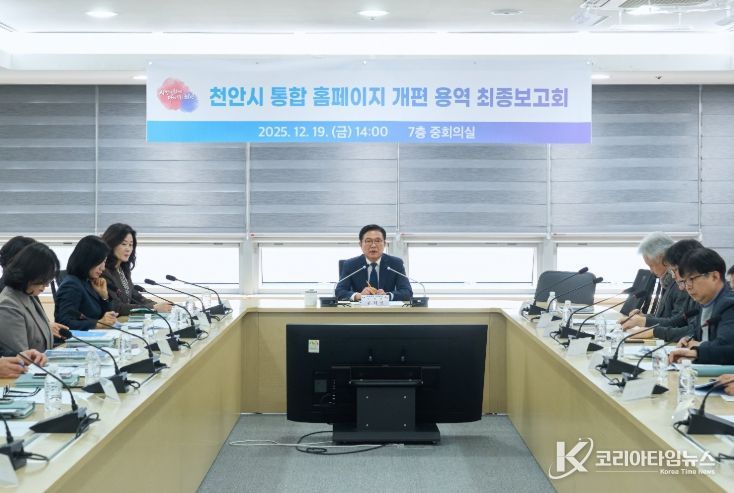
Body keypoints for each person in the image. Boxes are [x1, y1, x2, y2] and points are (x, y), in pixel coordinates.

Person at [622, 238, 702, 342]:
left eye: (674, 270)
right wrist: (645, 318)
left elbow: (691, 330)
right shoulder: (673, 283)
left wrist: (652, 329)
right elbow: (679, 320)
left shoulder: (683, 286)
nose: (673, 276)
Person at [668, 248, 734, 365]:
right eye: (685, 281)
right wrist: (688, 339)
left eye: (691, 279)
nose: (688, 286)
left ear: (714, 277)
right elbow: (697, 334)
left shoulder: (729, 304)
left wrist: (698, 349)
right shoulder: (704, 302)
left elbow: (726, 346)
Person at [0, 243, 59, 355]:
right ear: (30, 274)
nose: (46, 285)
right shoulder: (8, 306)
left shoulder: (28, 295)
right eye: (44, 279)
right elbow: (22, 357)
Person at [101, 223, 171, 316]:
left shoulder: (123, 270)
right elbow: (117, 307)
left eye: (131, 245)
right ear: (111, 244)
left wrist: (160, 305)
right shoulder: (103, 271)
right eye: (124, 244)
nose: (128, 249)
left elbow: (136, 297)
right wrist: (153, 308)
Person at [54, 235, 118, 331]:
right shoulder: (71, 285)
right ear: (88, 260)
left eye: (104, 262)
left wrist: (104, 296)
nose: (103, 268)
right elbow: (64, 323)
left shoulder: (88, 281)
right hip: (78, 339)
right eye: (100, 262)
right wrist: (98, 324)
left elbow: (106, 318)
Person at [335, 224, 413, 302]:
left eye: (378, 241)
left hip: (387, 309)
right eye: (368, 241)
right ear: (360, 244)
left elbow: (407, 292)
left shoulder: (395, 264)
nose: (373, 245)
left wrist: (387, 296)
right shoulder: (350, 265)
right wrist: (359, 296)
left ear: (384, 244)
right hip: (359, 309)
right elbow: (339, 291)